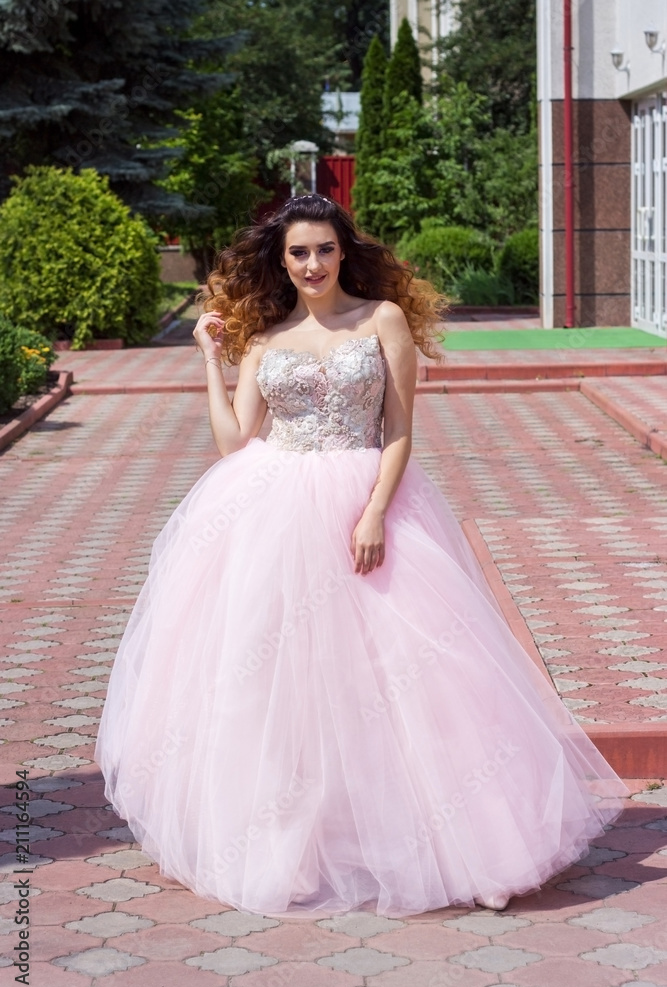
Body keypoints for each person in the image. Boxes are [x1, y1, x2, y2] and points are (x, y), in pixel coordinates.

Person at [95, 194, 629, 919]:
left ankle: (455, 843)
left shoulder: (380, 320)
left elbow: (401, 430)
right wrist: (211, 361)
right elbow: (233, 442)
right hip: (269, 512)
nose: (311, 264)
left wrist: (373, 510)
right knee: (276, 679)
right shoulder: (263, 339)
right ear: (279, 262)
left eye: (322, 249)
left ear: (344, 250)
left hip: (364, 499)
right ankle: (290, 844)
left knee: (407, 673)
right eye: (297, 253)